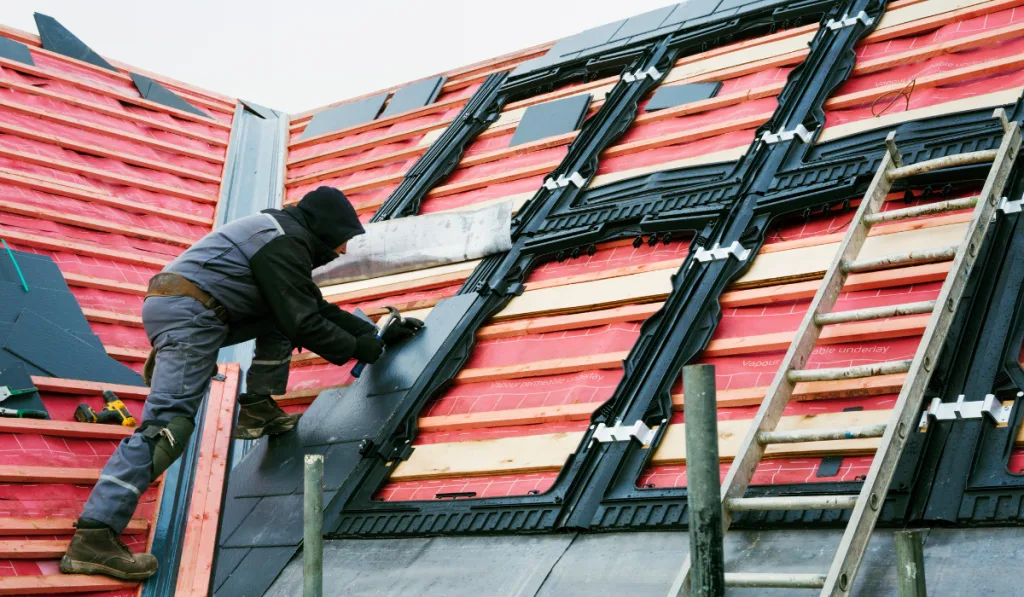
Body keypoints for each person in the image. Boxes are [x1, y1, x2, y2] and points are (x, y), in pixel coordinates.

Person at [59, 187, 424, 580]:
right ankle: (95, 536)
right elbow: (304, 321)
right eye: (341, 241)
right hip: (193, 315)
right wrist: (363, 349)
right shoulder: (284, 244)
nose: (342, 251)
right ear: (324, 229)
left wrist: (376, 333)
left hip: (196, 307)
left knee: (281, 313)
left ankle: (254, 406)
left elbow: (307, 305)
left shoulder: (281, 234)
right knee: (168, 428)